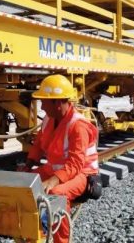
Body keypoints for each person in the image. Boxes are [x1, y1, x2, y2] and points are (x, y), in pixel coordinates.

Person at [23, 74, 99, 243]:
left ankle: (61, 240)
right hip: (56, 170)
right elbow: (38, 145)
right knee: (24, 184)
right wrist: (28, 167)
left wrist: (53, 181)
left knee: (57, 195)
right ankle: (33, 235)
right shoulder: (50, 119)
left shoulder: (78, 126)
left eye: (44, 102)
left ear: (58, 103)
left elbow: (76, 164)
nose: (41, 106)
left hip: (82, 174)